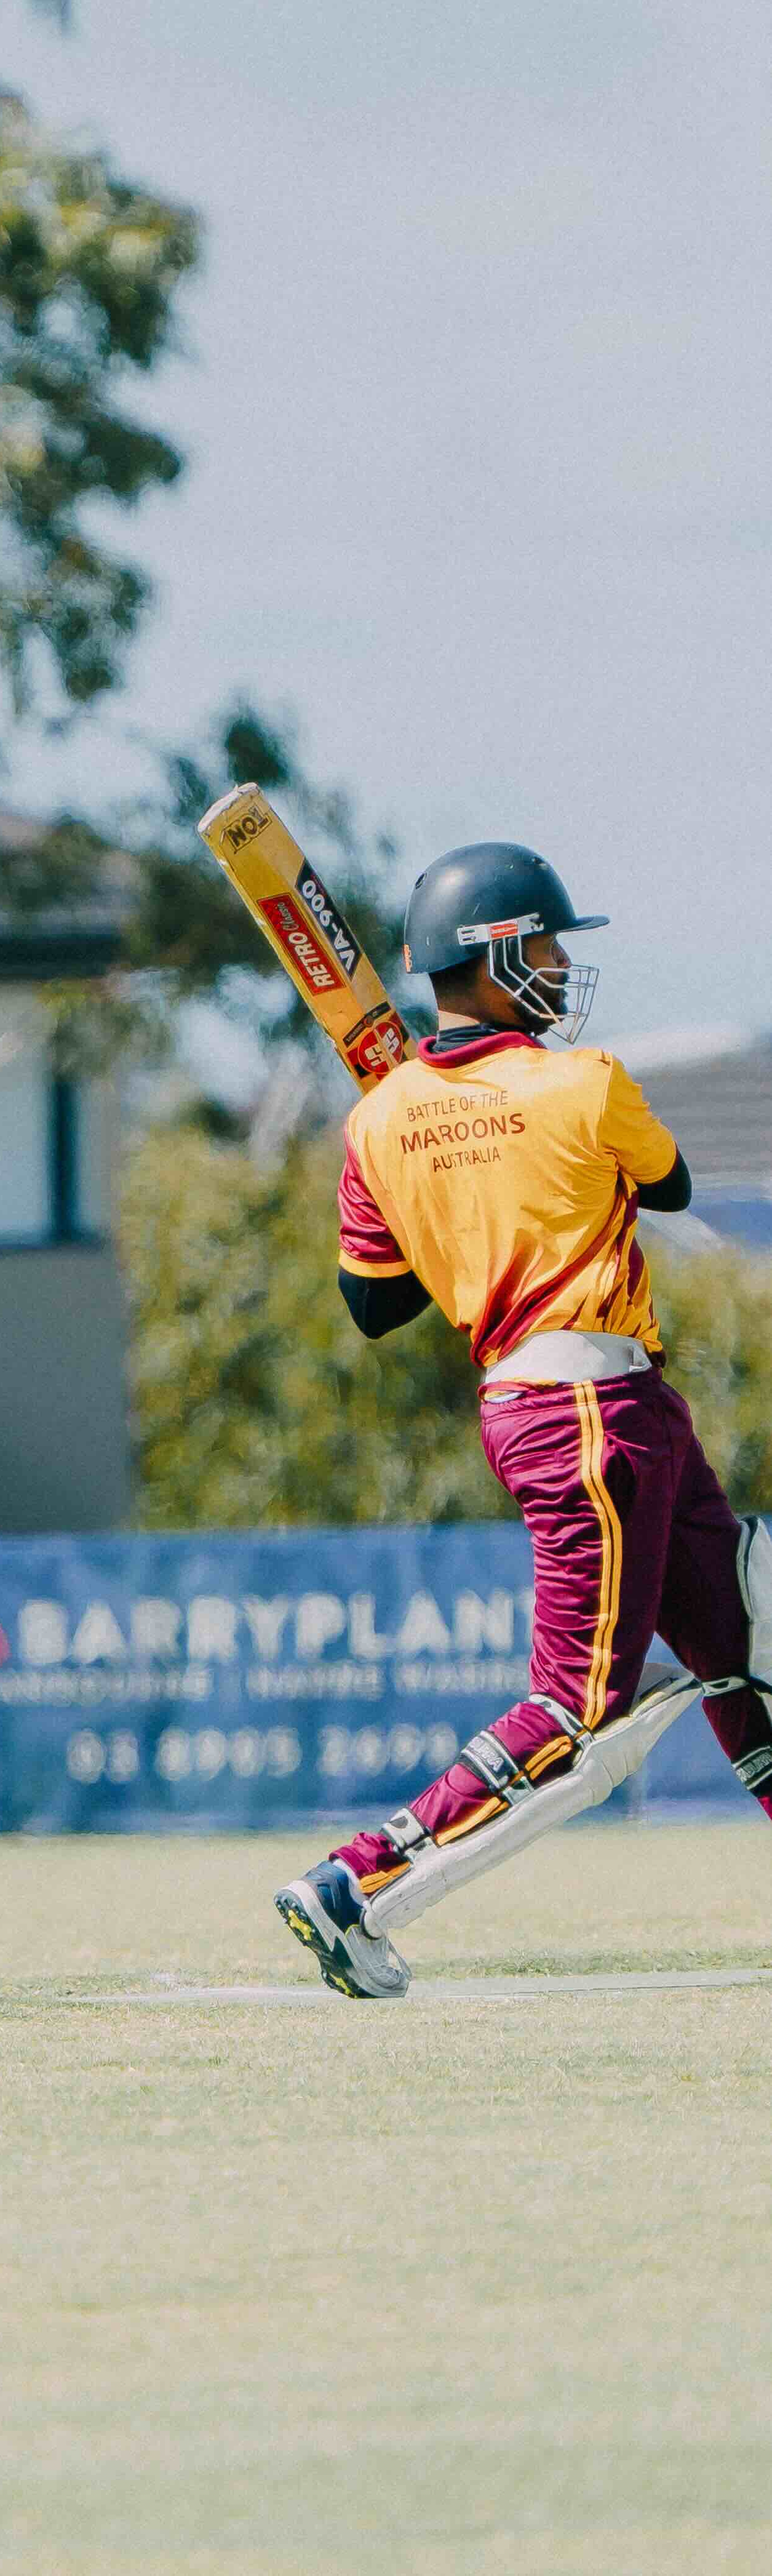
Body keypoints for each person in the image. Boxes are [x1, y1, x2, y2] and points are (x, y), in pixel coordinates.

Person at [274, 841, 772, 1998]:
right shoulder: (586, 1082)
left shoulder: (380, 1123)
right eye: (542, 945)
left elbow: (375, 1304)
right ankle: (358, 1884)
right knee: (581, 1711)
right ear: (494, 960)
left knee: (740, 1634)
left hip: (564, 1403)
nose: (557, 966)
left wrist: (430, 1152)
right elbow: (674, 1187)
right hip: (592, 1402)